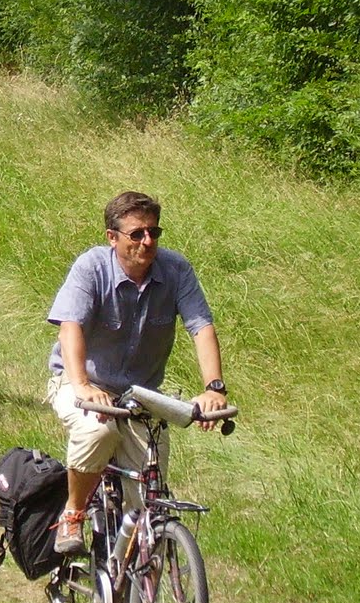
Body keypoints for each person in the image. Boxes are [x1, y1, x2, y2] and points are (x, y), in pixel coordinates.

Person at [44, 191, 229, 555]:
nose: (148, 242)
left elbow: (201, 327)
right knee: (97, 430)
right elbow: (71, 327)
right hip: (82, 380)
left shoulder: (176, 269)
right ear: (112, 237)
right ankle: (73, 512)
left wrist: (214, 388)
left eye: (154, 233)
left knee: (149, 493)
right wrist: (82, 386)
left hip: (138, 394)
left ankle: (141, 587)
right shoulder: (91, 267)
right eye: (137, 234)